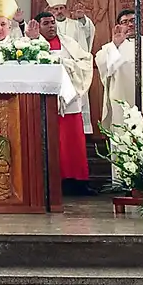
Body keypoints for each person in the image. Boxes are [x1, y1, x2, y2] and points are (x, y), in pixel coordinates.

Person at [26, 11, 94, 195]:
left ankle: (79, 182)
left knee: (73, 141)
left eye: (53, 22)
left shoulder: (68, 42)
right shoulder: (31, 44)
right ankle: (53, 183)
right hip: (45, 100)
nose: (51, 26)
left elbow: (85, 61)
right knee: (52, 141)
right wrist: (34, 42)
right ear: (38, 26)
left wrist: (66, 64)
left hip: (69, 98)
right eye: (46, 23)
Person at [46, 0, 96, 135]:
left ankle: (81, 132)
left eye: (61, 8)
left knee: (76, 106)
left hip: (74, 71)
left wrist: (82, 20)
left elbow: (88, 34)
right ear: (51, 10)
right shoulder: (46, 27)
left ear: (66, 8)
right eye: (56, 9)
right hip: (55, 72)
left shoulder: (75, 24)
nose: (59, 12)